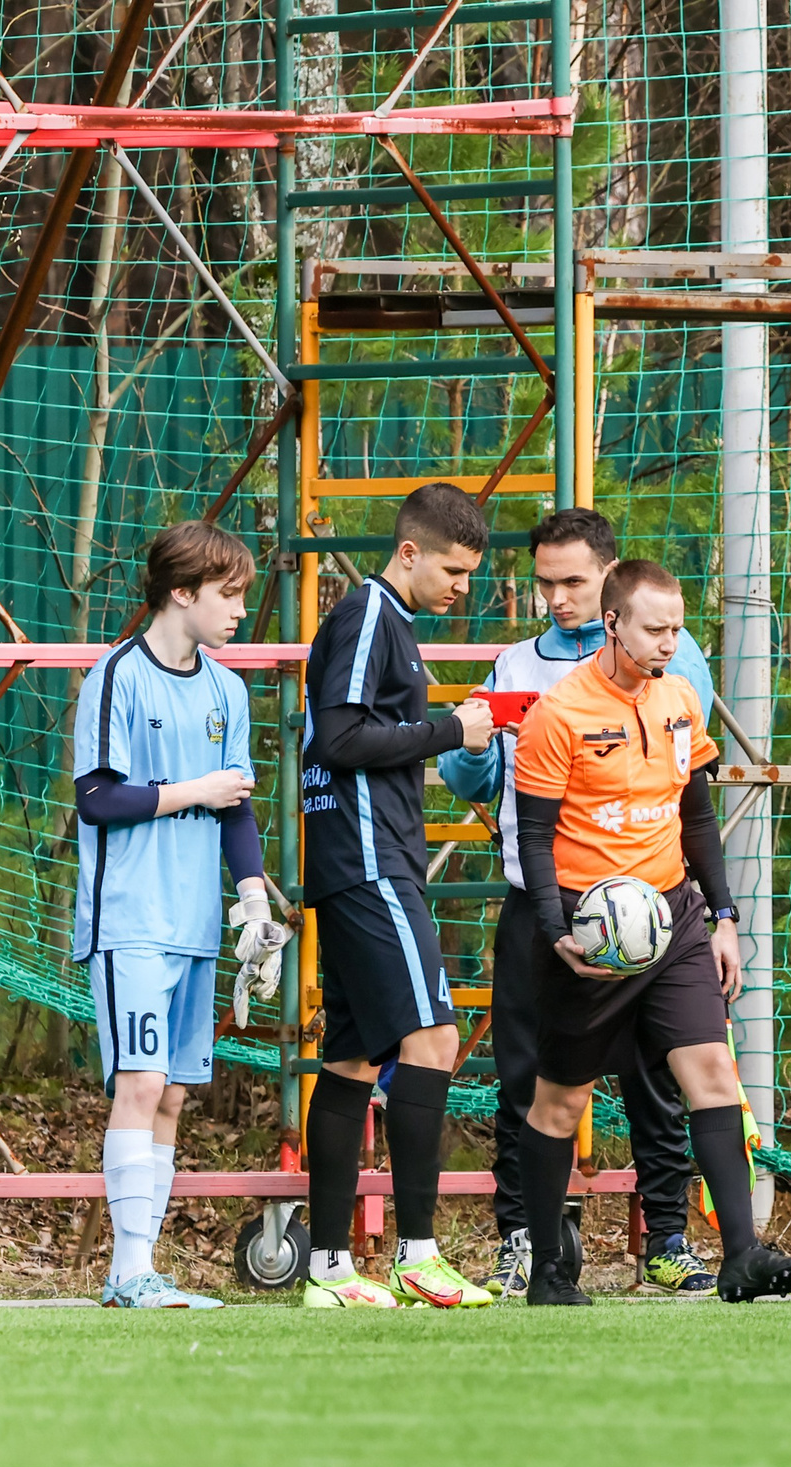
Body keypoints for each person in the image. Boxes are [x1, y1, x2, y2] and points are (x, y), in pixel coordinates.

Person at [508, 560, 791, 1306]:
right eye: (654, 628)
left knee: (712, 1073)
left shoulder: (681, 699)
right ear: (612, 623)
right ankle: (548, 1267)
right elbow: (535, 836)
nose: (668, 641)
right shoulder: (560, 711)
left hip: (673, 917)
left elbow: (698, 818)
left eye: (677, 627)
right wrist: (557, 932)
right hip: (596, 928)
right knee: (559, 1101)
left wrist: (724, 916)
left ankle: (741, 1254)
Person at [439, 508, 721, 1298]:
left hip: (653, 905)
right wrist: (472, 750)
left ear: (610, 588)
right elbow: (480, 778)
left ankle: (665, 1236)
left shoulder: (674, 655)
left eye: (572, 581)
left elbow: (683, 774)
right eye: (544, 583)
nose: (556, 598)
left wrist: (708, 902)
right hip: (549, 908)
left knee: (658, 1076)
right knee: (527, 1076)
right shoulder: (516, 663)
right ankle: (524, 1240)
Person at [71, 522, 290, 1308]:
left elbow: (238, 807)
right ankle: (127, 1272)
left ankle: (144, 1269)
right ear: (180, 592)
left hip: (196, 921)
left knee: (170, 1094)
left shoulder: (228, 689)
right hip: (131, 916)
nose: (240, 609)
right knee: (141, 1079)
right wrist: (192, 790)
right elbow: (96, 797)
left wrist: (253, 904)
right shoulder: (116, 676)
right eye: (228, 594)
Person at [298, 483, 499, 1308]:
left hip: (366, 863)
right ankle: (417, 1252)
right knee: (436, 1040)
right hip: (369, 863)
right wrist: (453, 728)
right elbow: (339, 736)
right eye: (451, 568)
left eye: (469, 572)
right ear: (409, 551)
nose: (461, 585)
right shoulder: (370, 613)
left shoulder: (394, 626)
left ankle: (327, 1268)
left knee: (348, 1059)